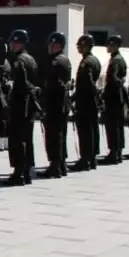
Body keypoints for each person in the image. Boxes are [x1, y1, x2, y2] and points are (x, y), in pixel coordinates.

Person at [2, 30, 40, 186]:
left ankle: (18, 173)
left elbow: (21, 84)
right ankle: (27, 172)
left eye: (14, 42)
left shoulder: (19, 61)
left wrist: (9, 86)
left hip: (20, 104)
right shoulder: (31, 59)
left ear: (21, 43)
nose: (12, 45)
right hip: (29, 104)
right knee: (27, 139)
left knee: (17, 139)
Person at [38, 32, 73, 179]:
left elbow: (52, 83)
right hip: (62, 103)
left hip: (54, 103)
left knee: (53, 136)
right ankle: (61, 164)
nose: (49, 47)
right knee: (61, 134)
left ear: (57, 45)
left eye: (51, 45)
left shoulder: (56, 61)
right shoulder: (65, 59)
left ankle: (55, 166)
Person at [72, 35, 103, 171]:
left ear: (86, 46)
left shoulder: (86, 62)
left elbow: (87, 82)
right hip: (91, 100)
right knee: (93, 129)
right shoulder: (95, 60)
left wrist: (74, 97)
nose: (78, 47)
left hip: (85, 100)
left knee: (85, 130)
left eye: (80, 45)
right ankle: (92, 157)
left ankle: (85, 159)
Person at [100, 35, 128, 165]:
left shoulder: (116, 60)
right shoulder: (118, 58)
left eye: (110, 45)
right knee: (117, 125)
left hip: (113, 96)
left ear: (115, 46)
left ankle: (114, 152)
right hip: (117, 96)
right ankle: (118, 152)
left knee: (113, 125)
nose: (108, 47)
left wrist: (107, 93)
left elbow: (114, 78)